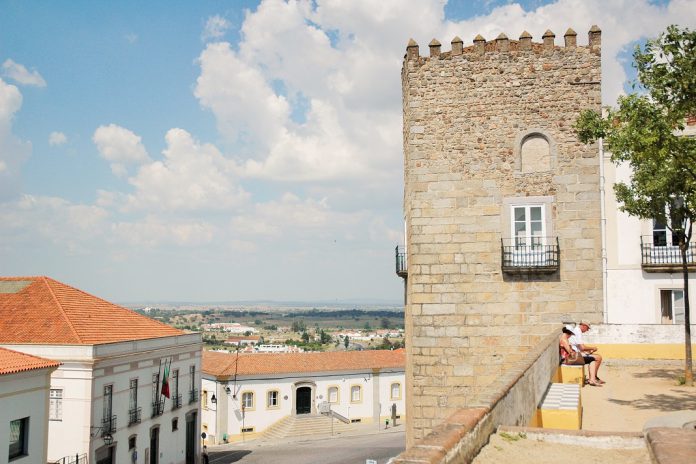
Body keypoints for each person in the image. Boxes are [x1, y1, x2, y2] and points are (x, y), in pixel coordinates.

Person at [568, 320, 604, 386]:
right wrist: (593, 348)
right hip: (575, 355)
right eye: (587, 328)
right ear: (584, 326)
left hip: (576, 353)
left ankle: (593, 378)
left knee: (597, 357)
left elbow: (579, 347)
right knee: (598, 358)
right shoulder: (577, 332)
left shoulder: (576, 330)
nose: (587, 330)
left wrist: (587, 351)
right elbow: (582, 347)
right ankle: (593, 378)